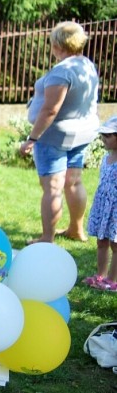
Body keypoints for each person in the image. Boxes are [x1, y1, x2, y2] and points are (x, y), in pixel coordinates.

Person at [19, 21, 99, 244]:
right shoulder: (86, 65)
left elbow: (50, 109)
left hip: (55, 136)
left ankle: (47, 238)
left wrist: (32, 139)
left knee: (52, 187)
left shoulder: (61, 72)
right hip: (82, 132)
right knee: (74, 181)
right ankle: (76, 229)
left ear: (57, 44)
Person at [84, 116, 117, 291]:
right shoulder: (106, 157)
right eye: (102, 135)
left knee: (115, 244)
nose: (103, 138)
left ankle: (112, 280)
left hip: (116, 209)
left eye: (108, 135)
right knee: (101, 241)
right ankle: (101, 276)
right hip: (103, 205)